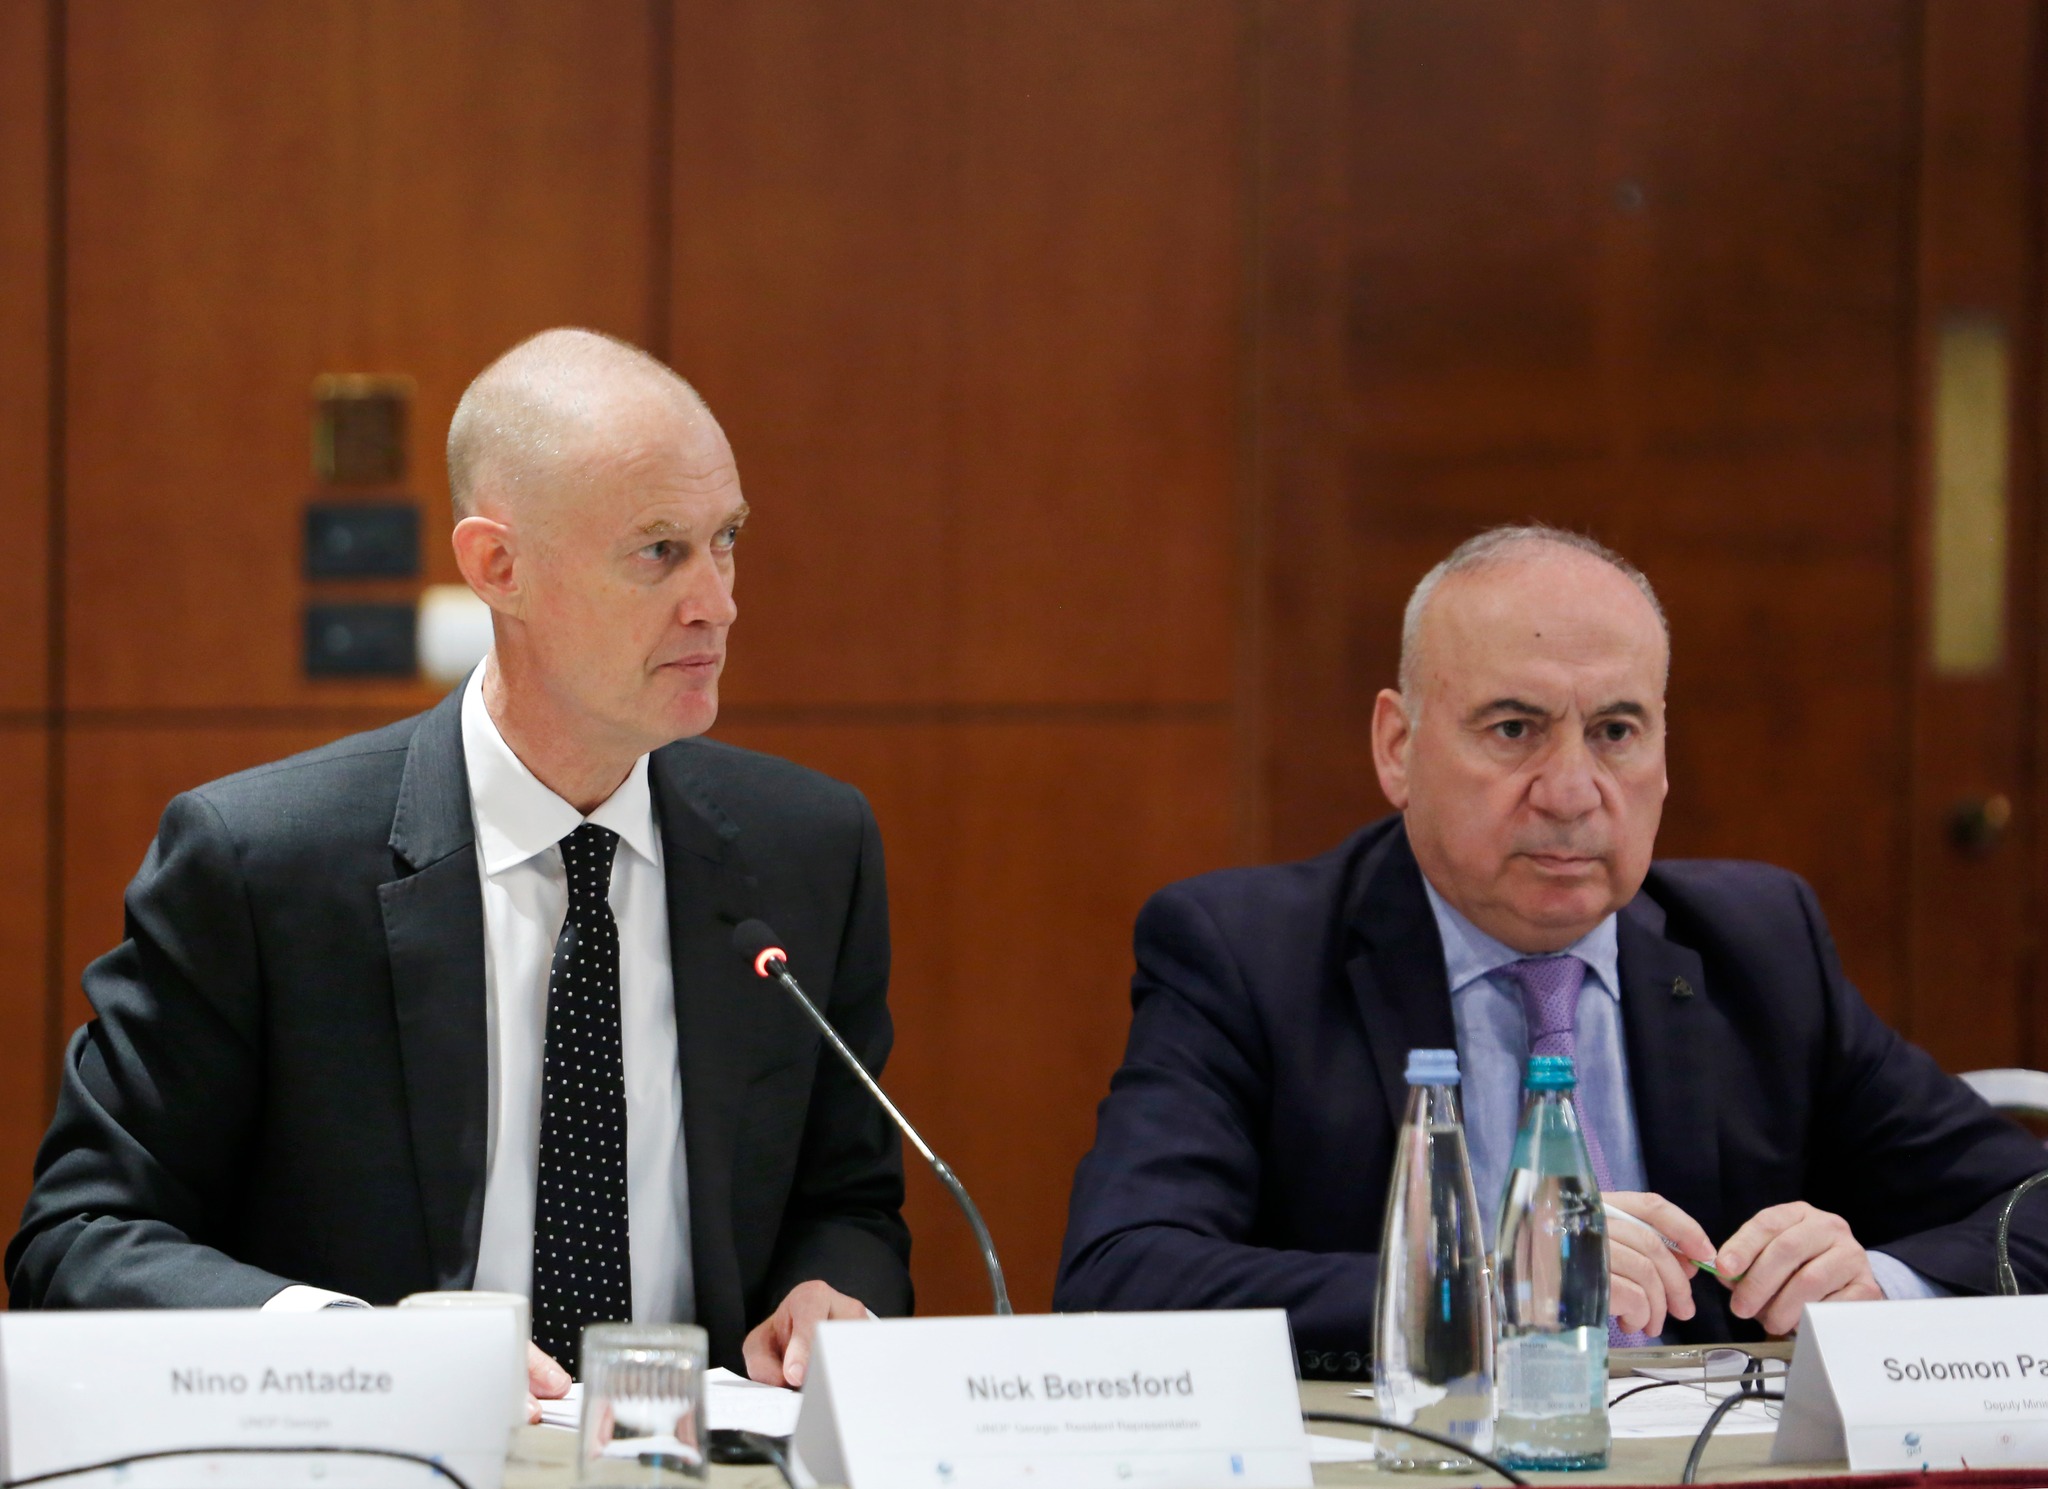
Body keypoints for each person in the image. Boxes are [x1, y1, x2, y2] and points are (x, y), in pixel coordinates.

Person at [8, 329, 910, 1405]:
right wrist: (357, 1352)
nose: (716, 599)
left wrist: (828, 1291)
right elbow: (80, 1237)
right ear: (498, 567)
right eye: (659, 551)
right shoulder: (260, 865)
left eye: (726, 539)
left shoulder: (808, 848)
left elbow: (849, 1198)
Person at [1055, 525, 2048, 1376]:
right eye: (1513, 728)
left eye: (1614, 730)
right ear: (1397, 746)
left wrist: (1882, 1286)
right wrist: (1487, 1288)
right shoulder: (1248, 955)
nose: (1570, 791)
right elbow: (1120, 1277)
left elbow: (2029, 1205)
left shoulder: (1757, 945)